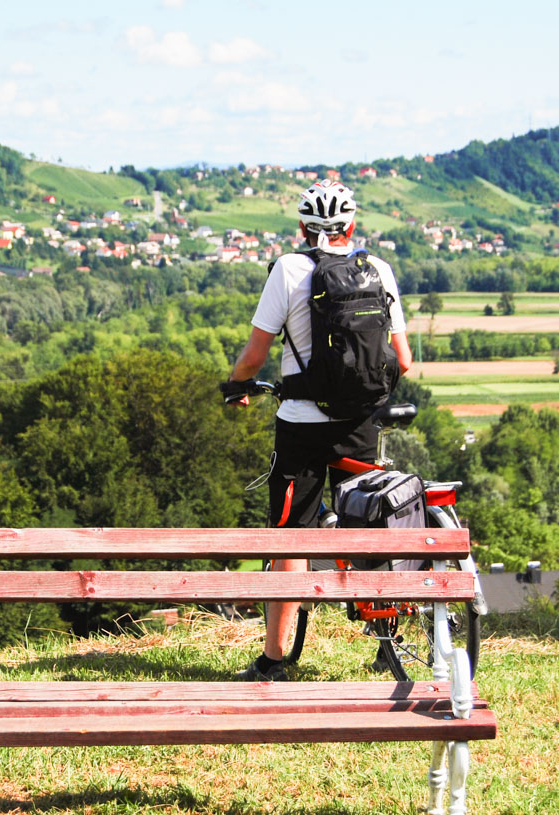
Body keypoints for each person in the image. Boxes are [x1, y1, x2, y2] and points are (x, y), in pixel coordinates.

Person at [225, 179, 413, 681]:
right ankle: (387, 640)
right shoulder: (378, 270)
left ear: (304, 228)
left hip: (301, 428)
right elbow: (405, 361)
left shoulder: (288, 270)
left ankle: (273, 661)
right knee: (371, 525)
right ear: (352, 227)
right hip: (359, 425)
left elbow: (255, 355)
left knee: (290, 538)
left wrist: (235, 383)